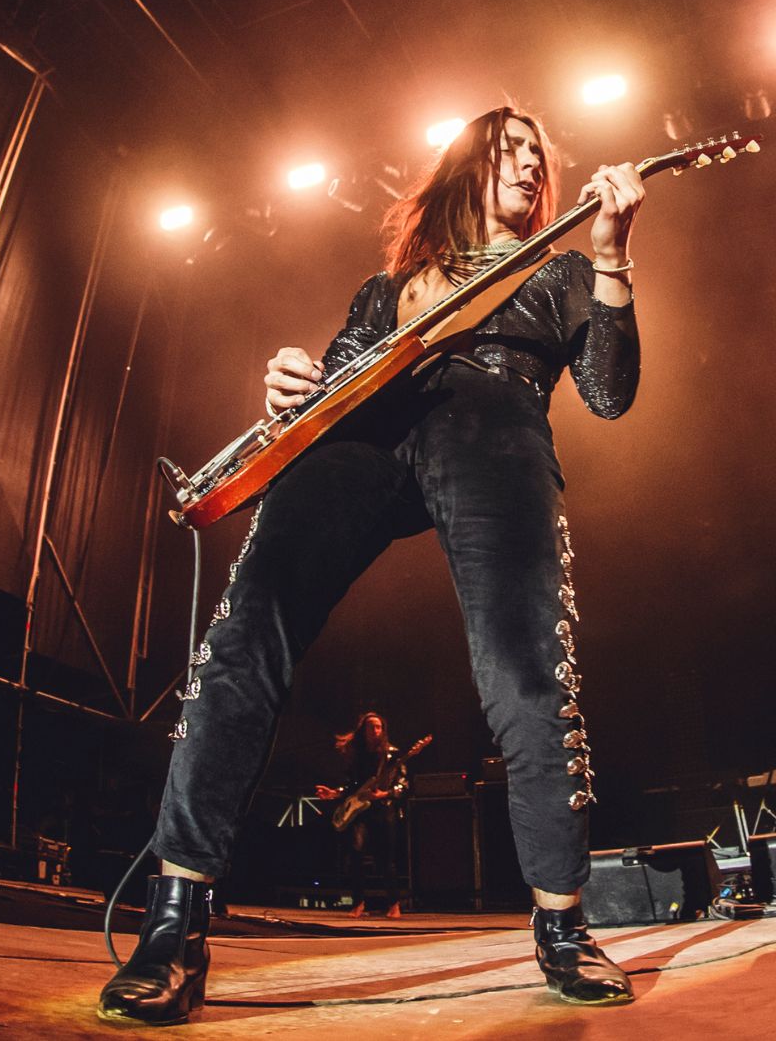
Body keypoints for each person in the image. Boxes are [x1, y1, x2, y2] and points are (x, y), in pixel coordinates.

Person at [99, 106, 645, 1024]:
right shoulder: (385, 284)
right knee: (243, 636)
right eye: (507, 151)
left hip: (493, 424)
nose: (526, 166)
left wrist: (616, 253)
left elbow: (609, 392)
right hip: (366, 429)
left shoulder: (561, 271)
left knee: (523, 671)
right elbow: (335, 380)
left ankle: (561, 924)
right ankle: (176, 921)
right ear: (467, 167)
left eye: (536, 157)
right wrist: (289, 383)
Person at [314, 711, 408, 918]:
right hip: (361, 812)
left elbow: (404, 784)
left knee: (385, 859)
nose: (375, 731)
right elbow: (352, 787)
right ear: (363, 731)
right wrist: (334, 793)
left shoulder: (392, 754)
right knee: (355, 854)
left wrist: (387, 793)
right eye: (371, 727)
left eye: (379, 727)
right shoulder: (356, 755)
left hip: (384, 809)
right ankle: (358, 903)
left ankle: (394, 904)